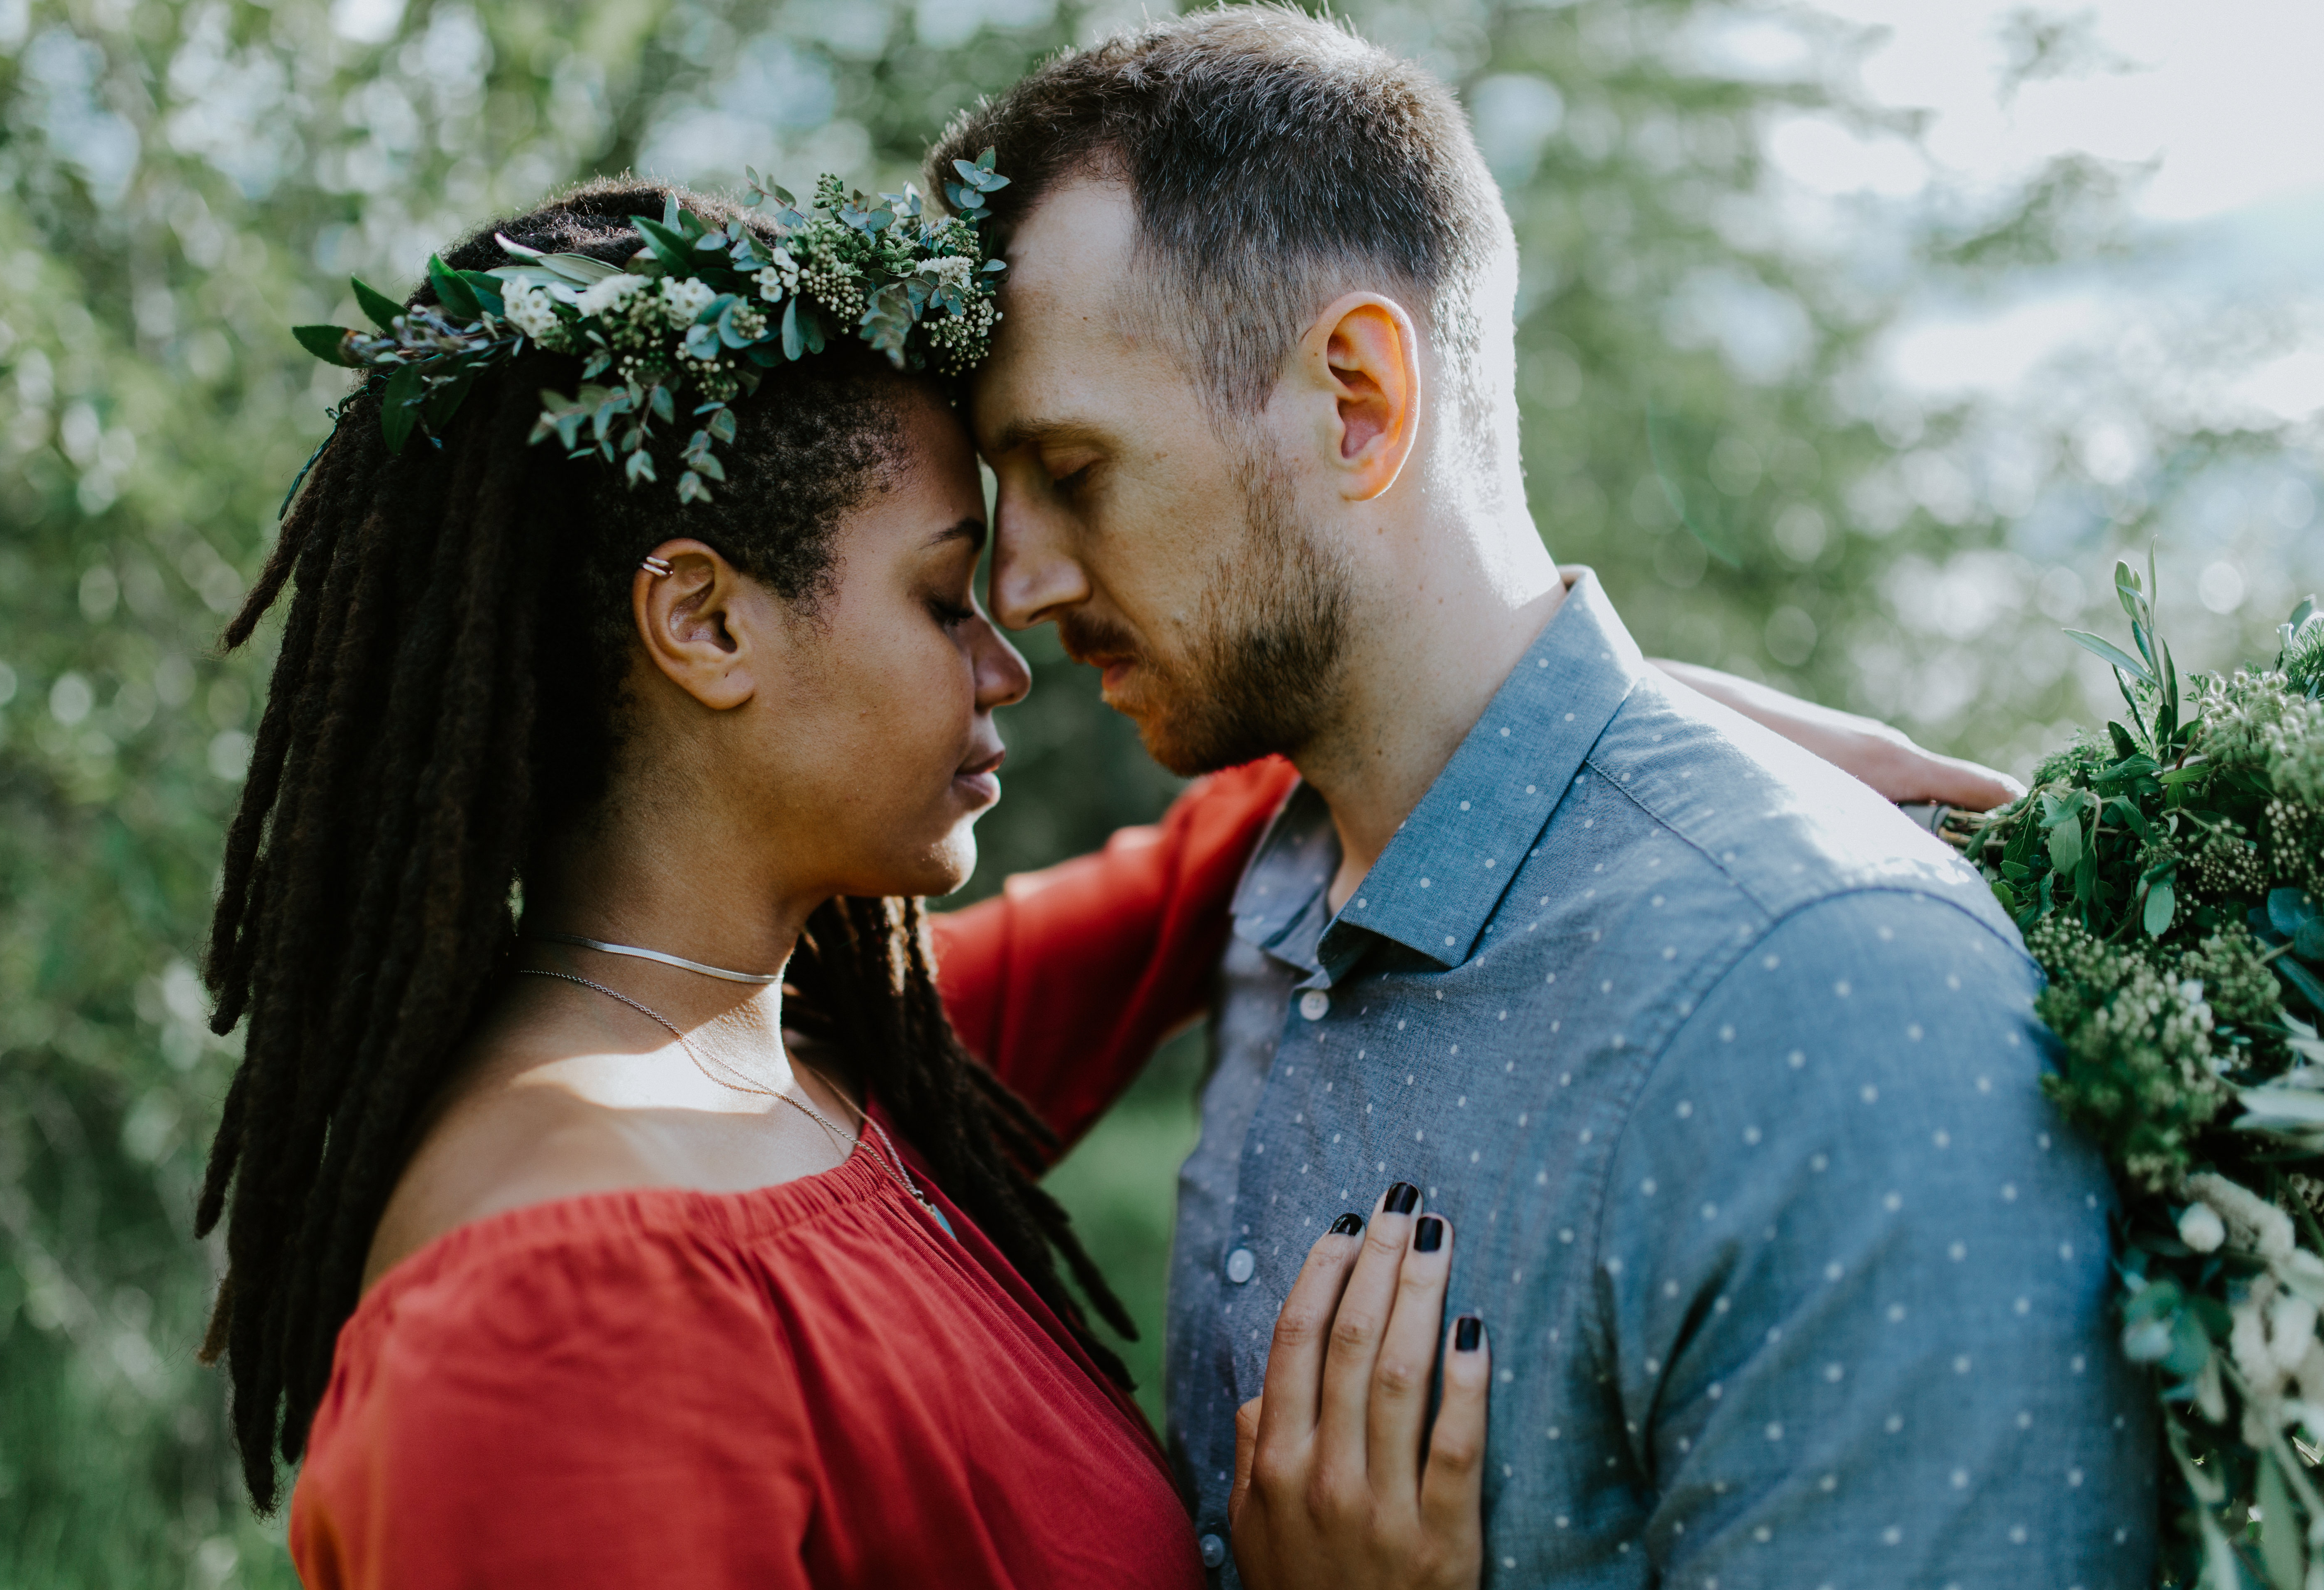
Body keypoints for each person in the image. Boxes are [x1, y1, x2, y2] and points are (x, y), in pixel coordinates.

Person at [922, 8, 2160, 1585]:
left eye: (1073, 471)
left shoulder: (1827, 997)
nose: (1015, 583)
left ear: (1358, 399)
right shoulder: (1281, 898)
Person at [195, 176, 1491, 1588]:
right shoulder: (562, 1313)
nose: (1006, 665)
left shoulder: (819, 1063)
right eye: (943, 602)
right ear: (705, 623)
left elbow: (1283, 789)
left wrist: (1647, 723)